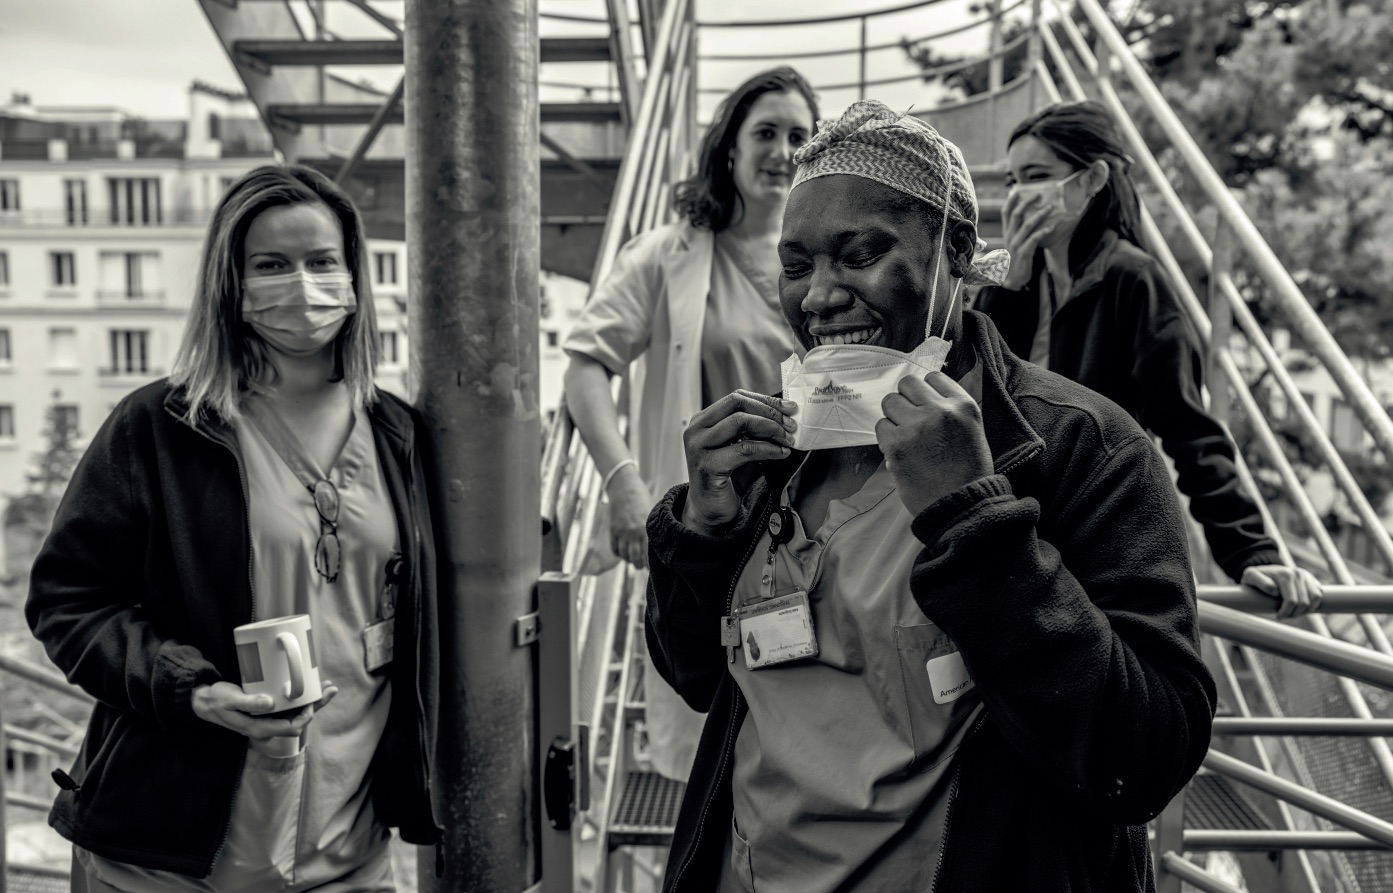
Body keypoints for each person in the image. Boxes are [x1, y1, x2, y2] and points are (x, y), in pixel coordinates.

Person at [645, 100, 1216, 892]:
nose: (818, 297)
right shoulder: (772, 455)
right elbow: (695, 676)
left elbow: (1142, 756)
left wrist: (975, 519)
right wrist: (699, 530)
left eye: (861, 254)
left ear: (955, 251)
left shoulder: (1077, 449)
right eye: (797, 265)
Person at [26, 164, 439, 891]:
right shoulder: (160, 427)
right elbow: (68, 601)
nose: (302, 286)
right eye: (271, 265)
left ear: (354, 277)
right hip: (165, 860)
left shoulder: (399, 435)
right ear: (231, 283)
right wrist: (191, 689)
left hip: (347, 854)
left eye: (321, 262)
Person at [563, 66, 818, 782]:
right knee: (706, 742)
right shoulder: (665, 253)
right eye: (764, 131)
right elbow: (585, 366)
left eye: (800, 135)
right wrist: (623, 486)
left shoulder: (822, 261)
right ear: (728, 148)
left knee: (804, 740)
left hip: (809, 528)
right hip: (710, 534)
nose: (782, 149)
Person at [973, 100, 1322, 616]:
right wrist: (1011, 280)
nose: (1020, 194)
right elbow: (975, 389)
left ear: (1092, 179)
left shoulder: (1135, 281)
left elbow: (1188, 426)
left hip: (1097, 534)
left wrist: (1250, 550)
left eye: (1037, 175)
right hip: (1017, 528)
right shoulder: (1023, 279)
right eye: (1013, 179)